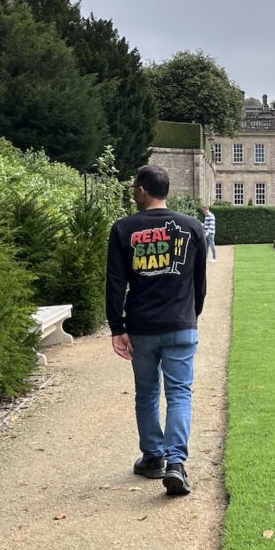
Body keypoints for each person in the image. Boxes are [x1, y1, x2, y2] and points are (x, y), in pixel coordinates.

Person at [106, 165, 207, 496]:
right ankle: (177, 463)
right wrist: (192, 316)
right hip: (180, 324)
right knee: (179, 394)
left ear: (142, 191)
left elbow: (115, 284)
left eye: (135, 187)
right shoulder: (192, 227)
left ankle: (154, 458)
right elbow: (199, 283)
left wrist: (116, 327)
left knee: (147, 393)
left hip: (142, 327)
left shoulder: (123, 229)